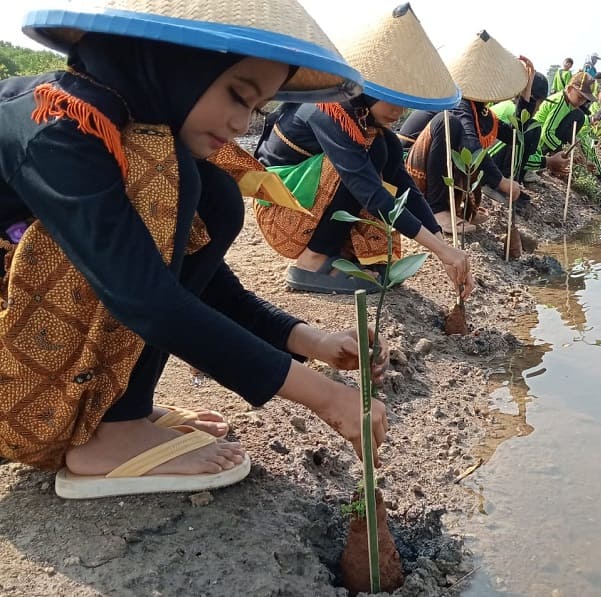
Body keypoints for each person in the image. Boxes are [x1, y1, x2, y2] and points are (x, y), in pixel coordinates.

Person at [0, 0, 390, 499]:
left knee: (214, 193)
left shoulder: (134, 128)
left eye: (254, 109)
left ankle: (124, 408)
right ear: (172, 64)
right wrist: (326, 398)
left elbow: (196, 283)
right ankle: (114, 431)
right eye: (237, 95)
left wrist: (308, 341)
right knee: (180, 182)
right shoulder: (61, 127)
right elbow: (147, 297)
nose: (239, 121)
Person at [252, 5, 472, 295]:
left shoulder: (366, 123)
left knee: (386, 148)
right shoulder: (327, 108)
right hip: (282, 207)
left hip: (310, 200)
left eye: (403, 100)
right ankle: (311, 260)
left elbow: (404, 186)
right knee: (369, 160)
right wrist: (441, 251)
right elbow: (367, 190)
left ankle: (337, 252)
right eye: (390, 97)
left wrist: (444, 248)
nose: (398, 110)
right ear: (367, 87)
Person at [397, 31, 528, 228]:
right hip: (410, 170)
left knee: (471, 152)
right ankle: (437, 210)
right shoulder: (457, 102)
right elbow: (470, 144)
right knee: (451, 126)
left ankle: (459, 210)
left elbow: (515, 137)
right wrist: (501, 181)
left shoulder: (480, 111)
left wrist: (526, 97)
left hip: (431, 171)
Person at [524, 71, 596, 176]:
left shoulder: (570, 105)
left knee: (579, 116)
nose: (581, 102)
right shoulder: (560, 102)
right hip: (535, 140)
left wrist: (581, 157)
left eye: (585, 100)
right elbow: (547, 133)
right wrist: (562, 152)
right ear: (570, 89)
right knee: (578, 116)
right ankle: (542, 162)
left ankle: (553, 160)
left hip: (545, 140)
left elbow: (571, 135)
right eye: (580, 97)